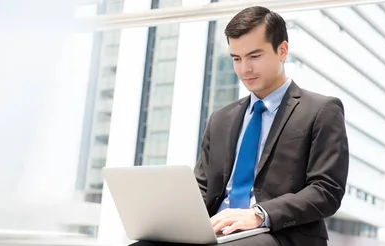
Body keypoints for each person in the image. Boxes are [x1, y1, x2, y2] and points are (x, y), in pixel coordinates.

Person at [130, 6, 349, 246]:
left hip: (279, 235)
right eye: (236, 58)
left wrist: (258, 215)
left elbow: (326, 190)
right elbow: (203, 188)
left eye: (254, 57)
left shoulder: (321, 110)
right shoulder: (221, 119)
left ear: (282, 50)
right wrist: (172, 220)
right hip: (217, 231)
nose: (244, 69)